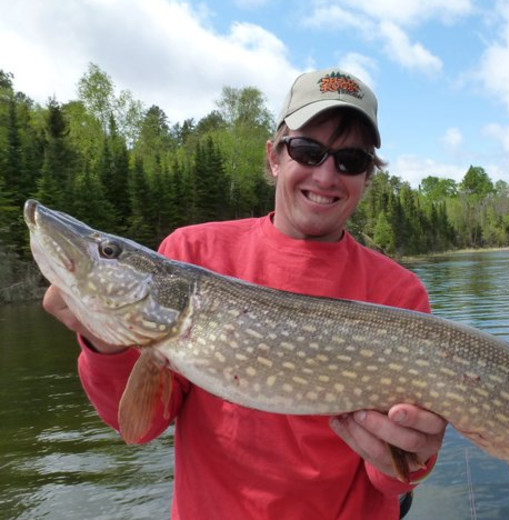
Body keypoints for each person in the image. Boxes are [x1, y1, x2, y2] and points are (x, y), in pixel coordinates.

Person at [42, 67, 447, 519]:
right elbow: (137, 425)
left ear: (367, 178)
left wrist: (412, 453)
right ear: (275, 157)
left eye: (351, 160)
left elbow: (391, 478)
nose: (327, 175)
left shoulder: (398, 293)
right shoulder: (191, 253)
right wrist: (103, 340)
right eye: (308, 150)